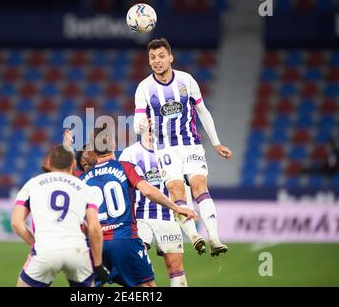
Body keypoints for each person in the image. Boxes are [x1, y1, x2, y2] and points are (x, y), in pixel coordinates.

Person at [133, 38, 233, 256]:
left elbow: (203, 111)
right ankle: (194, 236)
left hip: (191, 145)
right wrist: (142, 126)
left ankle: (214, 238)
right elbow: (137, 123)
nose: (157, 61)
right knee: (177, 191)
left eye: (161, 56)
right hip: (165, 149)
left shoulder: (186, 80)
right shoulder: (144, 88)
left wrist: (216, 143)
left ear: (170, 57)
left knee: (199, 186)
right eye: (152, 58)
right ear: (149, 62)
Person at [81, 126, 197, 287]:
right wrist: (176, 207)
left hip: (94, 244)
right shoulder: (125, 167)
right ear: (114, 145)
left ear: (92, 149)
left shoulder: (83, 179)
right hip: (124, 240)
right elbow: (148, 192)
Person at [11, 145, 108, 287]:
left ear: (49, 163)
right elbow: (94, 228)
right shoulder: (84, 187)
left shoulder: (33, 184)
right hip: (77, 250)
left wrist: (34, 243)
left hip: (45, 250)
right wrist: (98, 265)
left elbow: (16, 222)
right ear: (73, 164)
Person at [119, 129, 205, 287]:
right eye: (149, 122)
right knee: (137, 266)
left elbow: (182, 188)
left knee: (176, 268)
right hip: (139, 217)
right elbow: (122, 186)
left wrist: (190, 226)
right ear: (142, 126)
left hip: (167, 216)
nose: (153, 129)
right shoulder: (129, 153)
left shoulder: (175, 152)